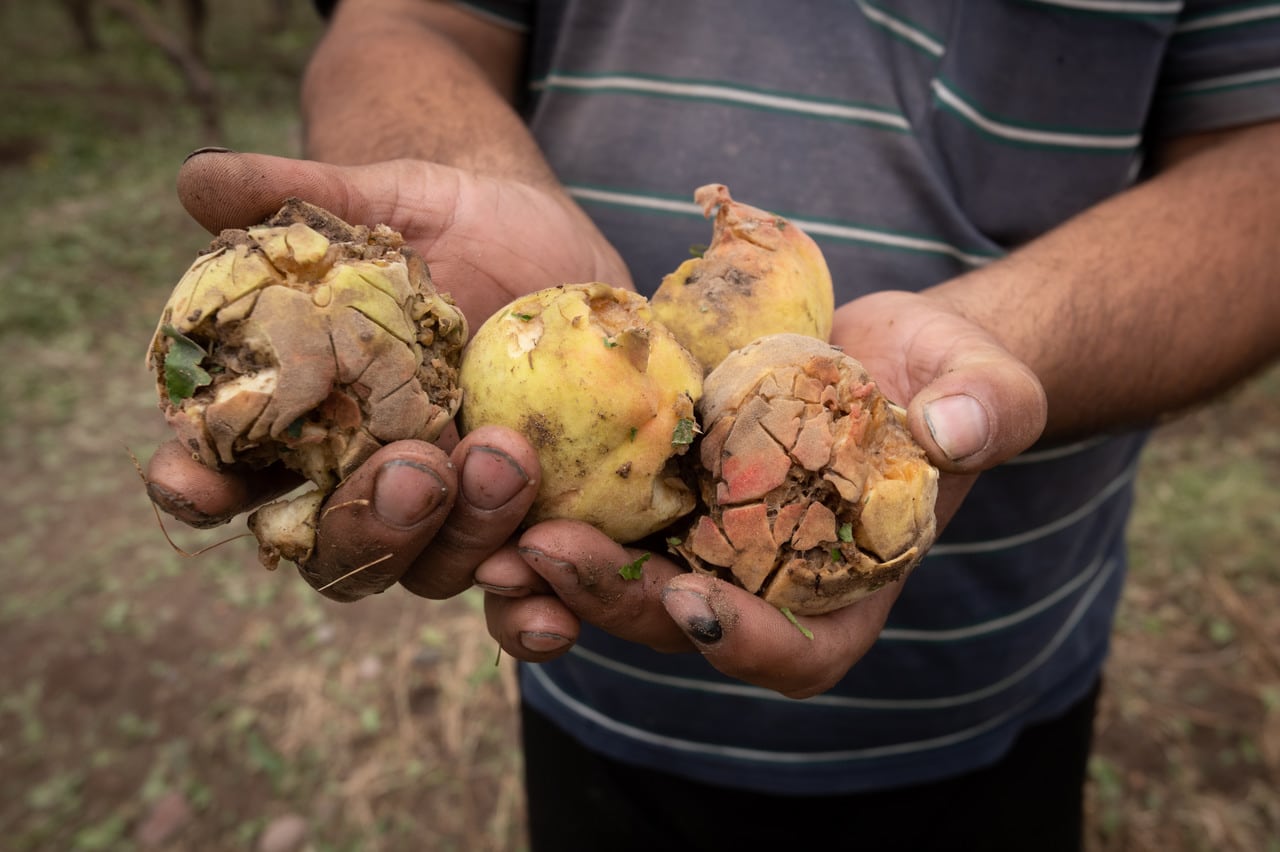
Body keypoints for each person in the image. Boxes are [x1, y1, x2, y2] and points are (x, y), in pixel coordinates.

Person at [146, 1, 1280, 848]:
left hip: (994, 678)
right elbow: (410, 21)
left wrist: (990, 339)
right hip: (587, 679)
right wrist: (466, 187)